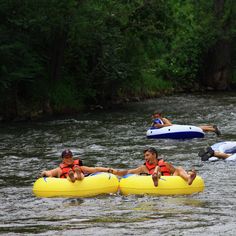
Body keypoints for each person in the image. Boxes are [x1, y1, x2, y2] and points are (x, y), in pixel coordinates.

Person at [112, 147, 197, 187]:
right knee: (157, 169)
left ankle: (189, 178)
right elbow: (128, 172)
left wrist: (185, 173)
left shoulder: (165, 164)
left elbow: (177, 172)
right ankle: (155, 177)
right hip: (156, 184)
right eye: (145, 156)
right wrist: (114, 172)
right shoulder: (143, 168)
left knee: (179, 168)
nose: (145, 158)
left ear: (154, 155)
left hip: (169, 184)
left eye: (147, 155)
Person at [41, 149, 115, 183]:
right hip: (66, 184)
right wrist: (44, 173)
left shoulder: (78, 166)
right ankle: (73, 177)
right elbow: (49, 173)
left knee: (78, 172)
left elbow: (95, 169)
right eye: (66, 157)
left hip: (78, 177)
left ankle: (76, 176)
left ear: (72, 157)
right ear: (63, 159)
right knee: (71, 175)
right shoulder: (59, 170)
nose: (69, 159)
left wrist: (107, 169)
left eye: (70, 157)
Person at [151, 111, 221, 136]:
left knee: (198, 128)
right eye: (155, 117)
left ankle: (214, 130)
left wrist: (161, 125)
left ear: (160, 116)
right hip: (175, 128)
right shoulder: (155, 122)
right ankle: (212, 127)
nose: (156, 118)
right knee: (198, 128)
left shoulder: (163, 119)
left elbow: (170, 125)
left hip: (175, 128)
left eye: (157, 116)